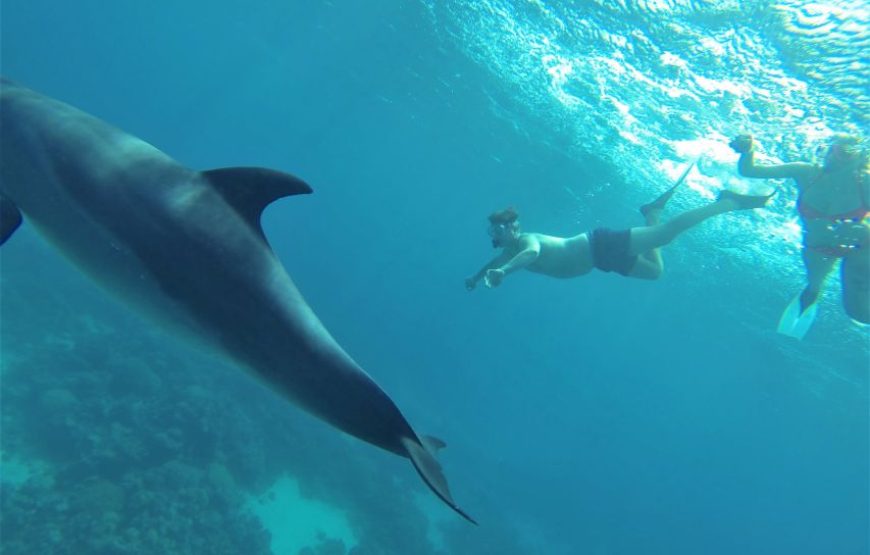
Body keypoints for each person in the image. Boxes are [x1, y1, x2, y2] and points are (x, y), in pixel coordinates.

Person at [464, 160, 773, 291]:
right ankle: (652, 212)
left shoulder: (527, 241)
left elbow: (529, 256)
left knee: (665, 236)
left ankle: (728, 202)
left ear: (514, 228)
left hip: (599, 244)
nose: (494, 235)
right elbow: (494, 261)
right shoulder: (506, 254)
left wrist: (504, 272)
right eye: (492, 231)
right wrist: (476, 279)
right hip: (600, 260)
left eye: (499, 229)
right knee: (655, 272)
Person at [730, 134, 869, 338]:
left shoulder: (865, 184)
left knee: (858, 307)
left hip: (860, 248)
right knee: (814, 287)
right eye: (829, 149)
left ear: (861, 156)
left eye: (842, 152)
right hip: (817, 248)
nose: (830, 155)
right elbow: (749, 170)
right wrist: (747, 150)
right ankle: (804, 311)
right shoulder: (807, 172)